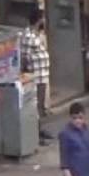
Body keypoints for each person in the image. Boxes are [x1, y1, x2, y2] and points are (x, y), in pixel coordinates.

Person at [19, 8, 52, 142]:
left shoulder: (36, 35)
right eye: (43, 18)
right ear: (38, 20)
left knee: (40, 105)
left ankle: (40, 130)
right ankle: (35, 135)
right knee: (35, 105)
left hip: (42, 75)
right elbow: (24, 57)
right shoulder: (28, 36)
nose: (44, 21)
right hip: (35, 76)